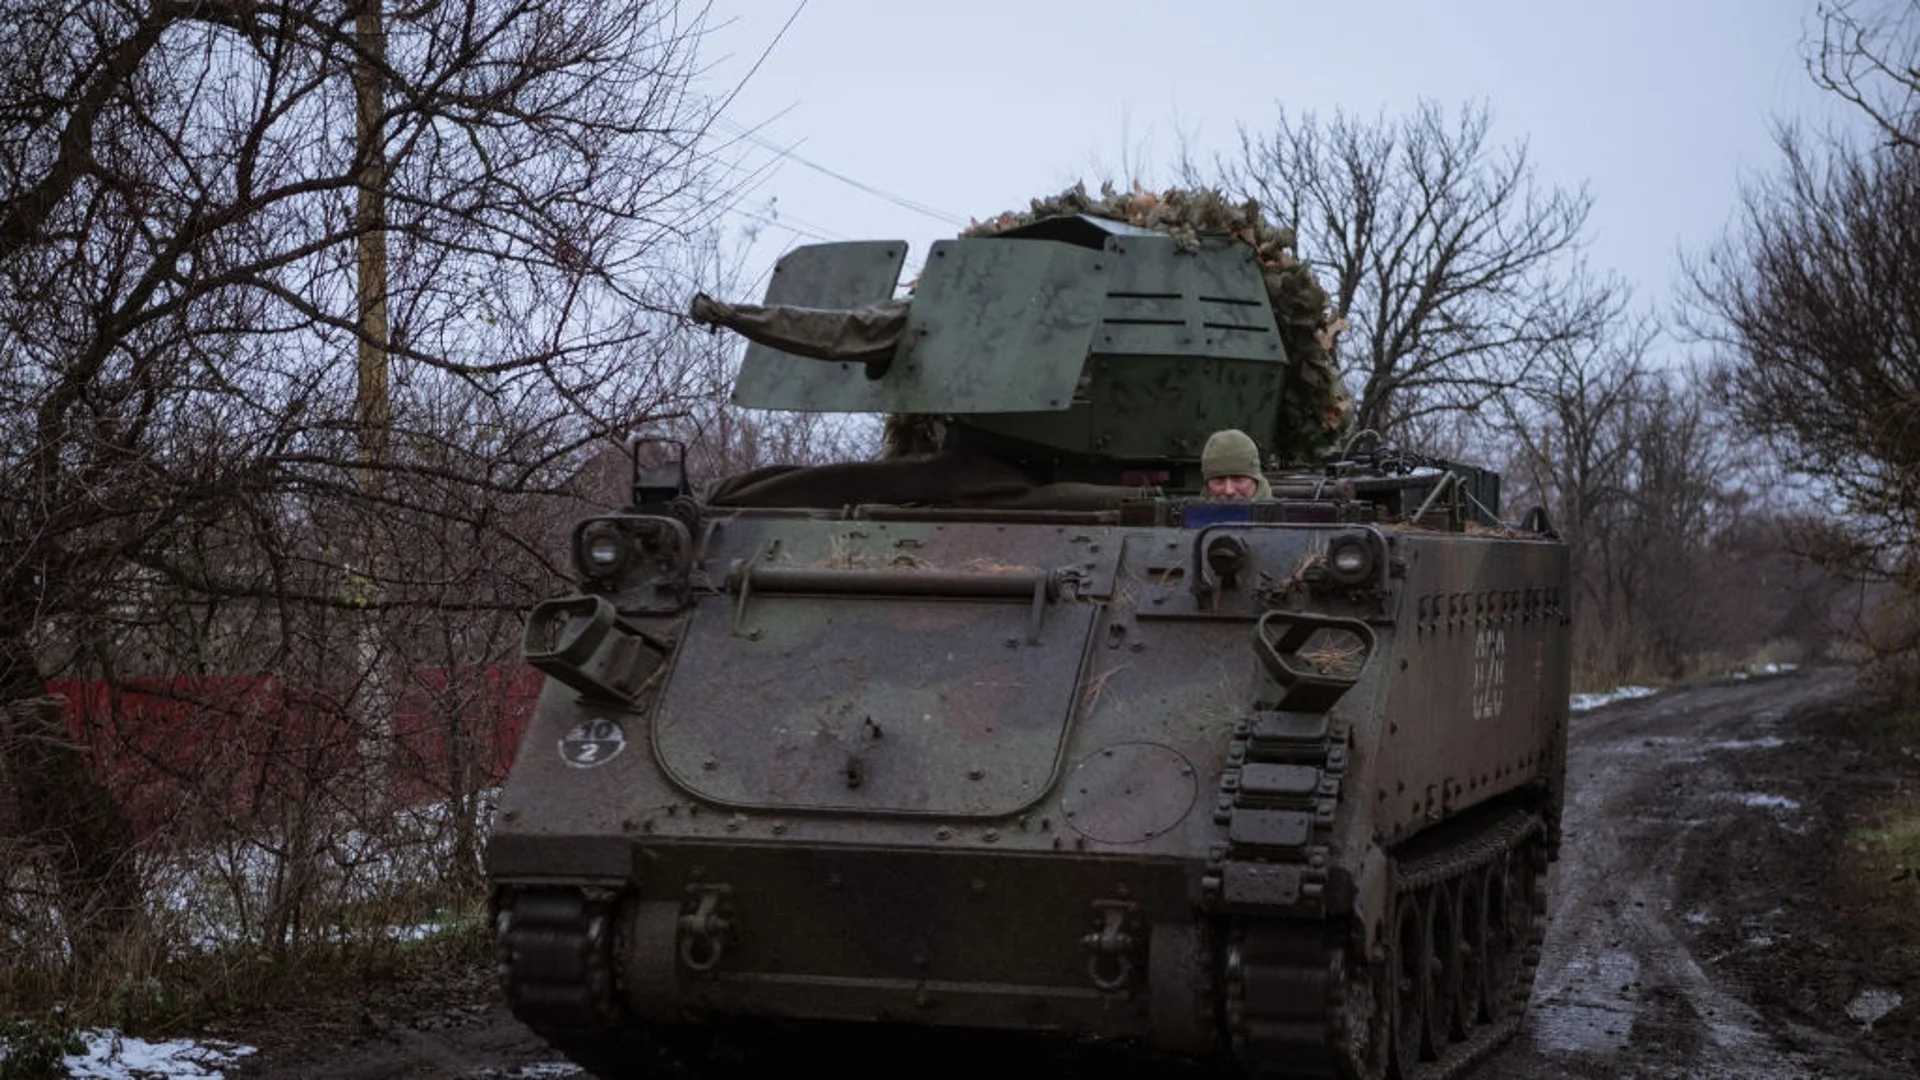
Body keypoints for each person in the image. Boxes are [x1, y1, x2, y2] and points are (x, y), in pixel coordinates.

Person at [1201, 428, 1272, 500]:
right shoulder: (1196, 510)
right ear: (1207, 486)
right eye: (1219, 481)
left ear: (1256, 480)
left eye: (1238, 479)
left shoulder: (1280, 511)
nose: (1229, 491)